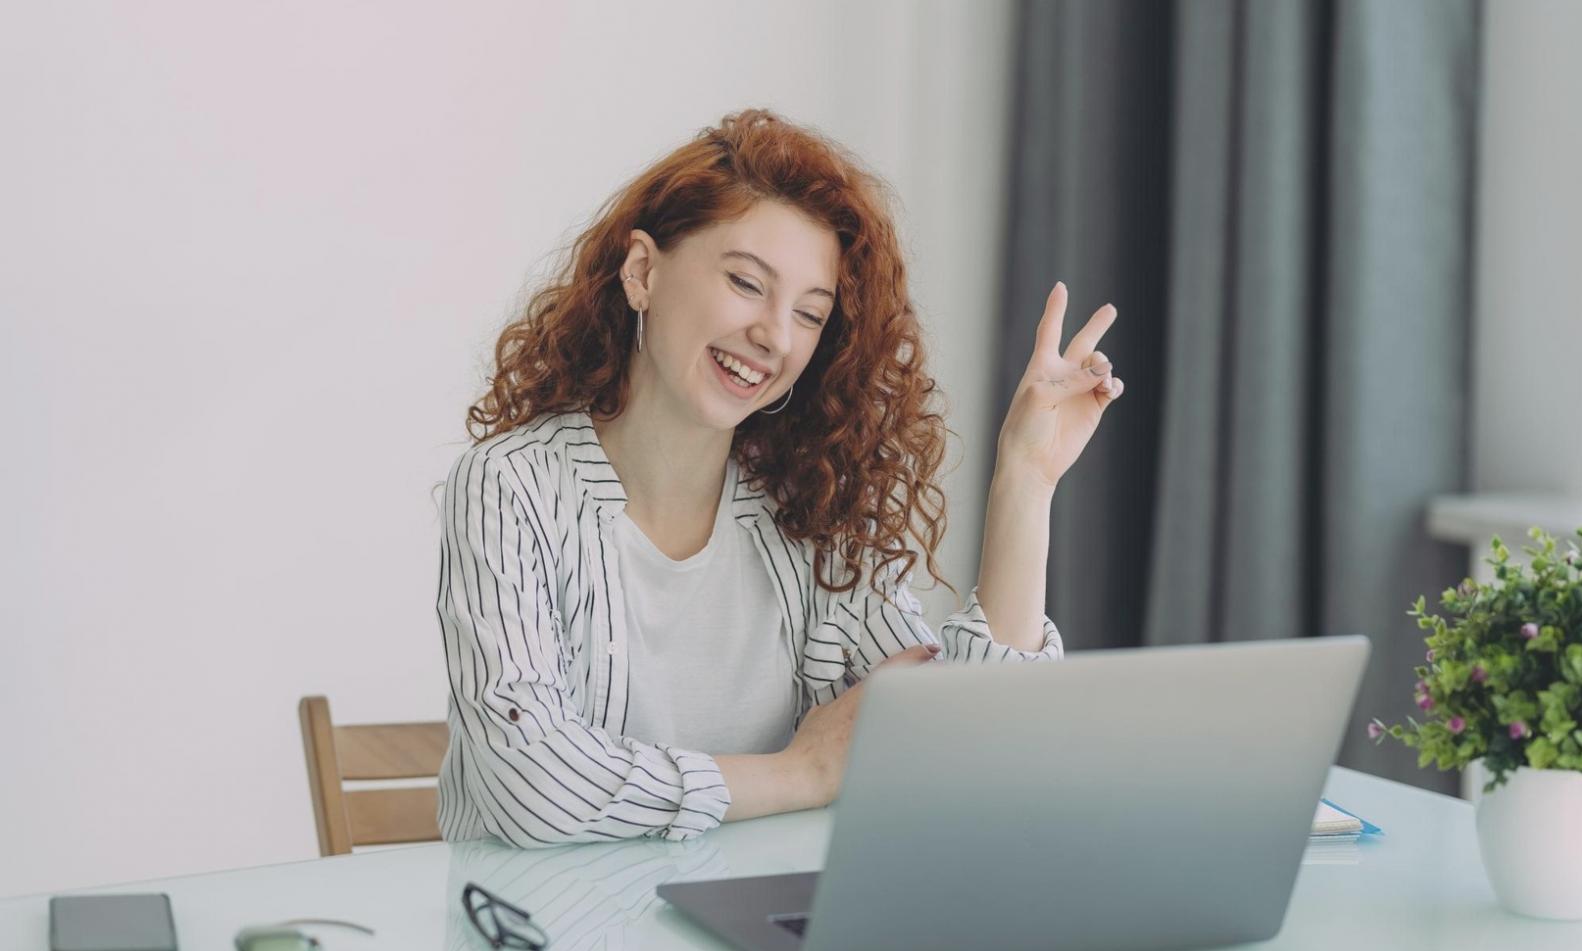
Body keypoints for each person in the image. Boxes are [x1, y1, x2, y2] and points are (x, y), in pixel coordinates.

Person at [435, 108, 1124, 847]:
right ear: (642, 271)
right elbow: (533, 789)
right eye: (744, 282)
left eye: (809, 314)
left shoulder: (806, 507)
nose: (773, 336)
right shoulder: (509, 487)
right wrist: (802, 773)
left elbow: (970, 746)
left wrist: (1025, 479)